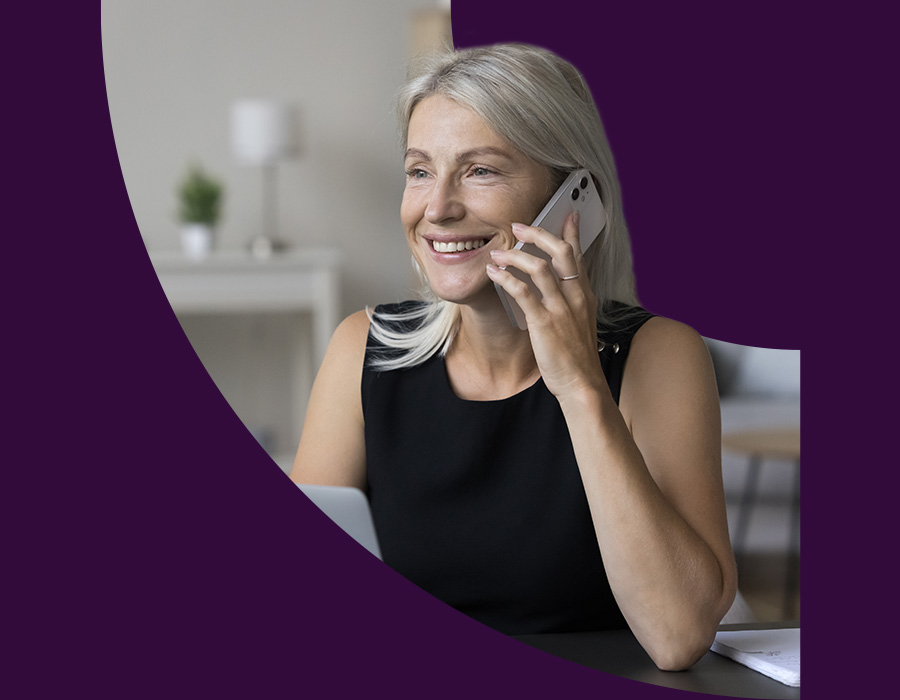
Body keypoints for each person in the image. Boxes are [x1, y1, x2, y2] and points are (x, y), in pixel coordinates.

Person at [291, 43, 737, 671]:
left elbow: (678, 636)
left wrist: (582, 387)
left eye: (480, 171)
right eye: (419, 171)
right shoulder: (362, 350)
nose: (437, 208)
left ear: (573, 200)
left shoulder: (659, 356)